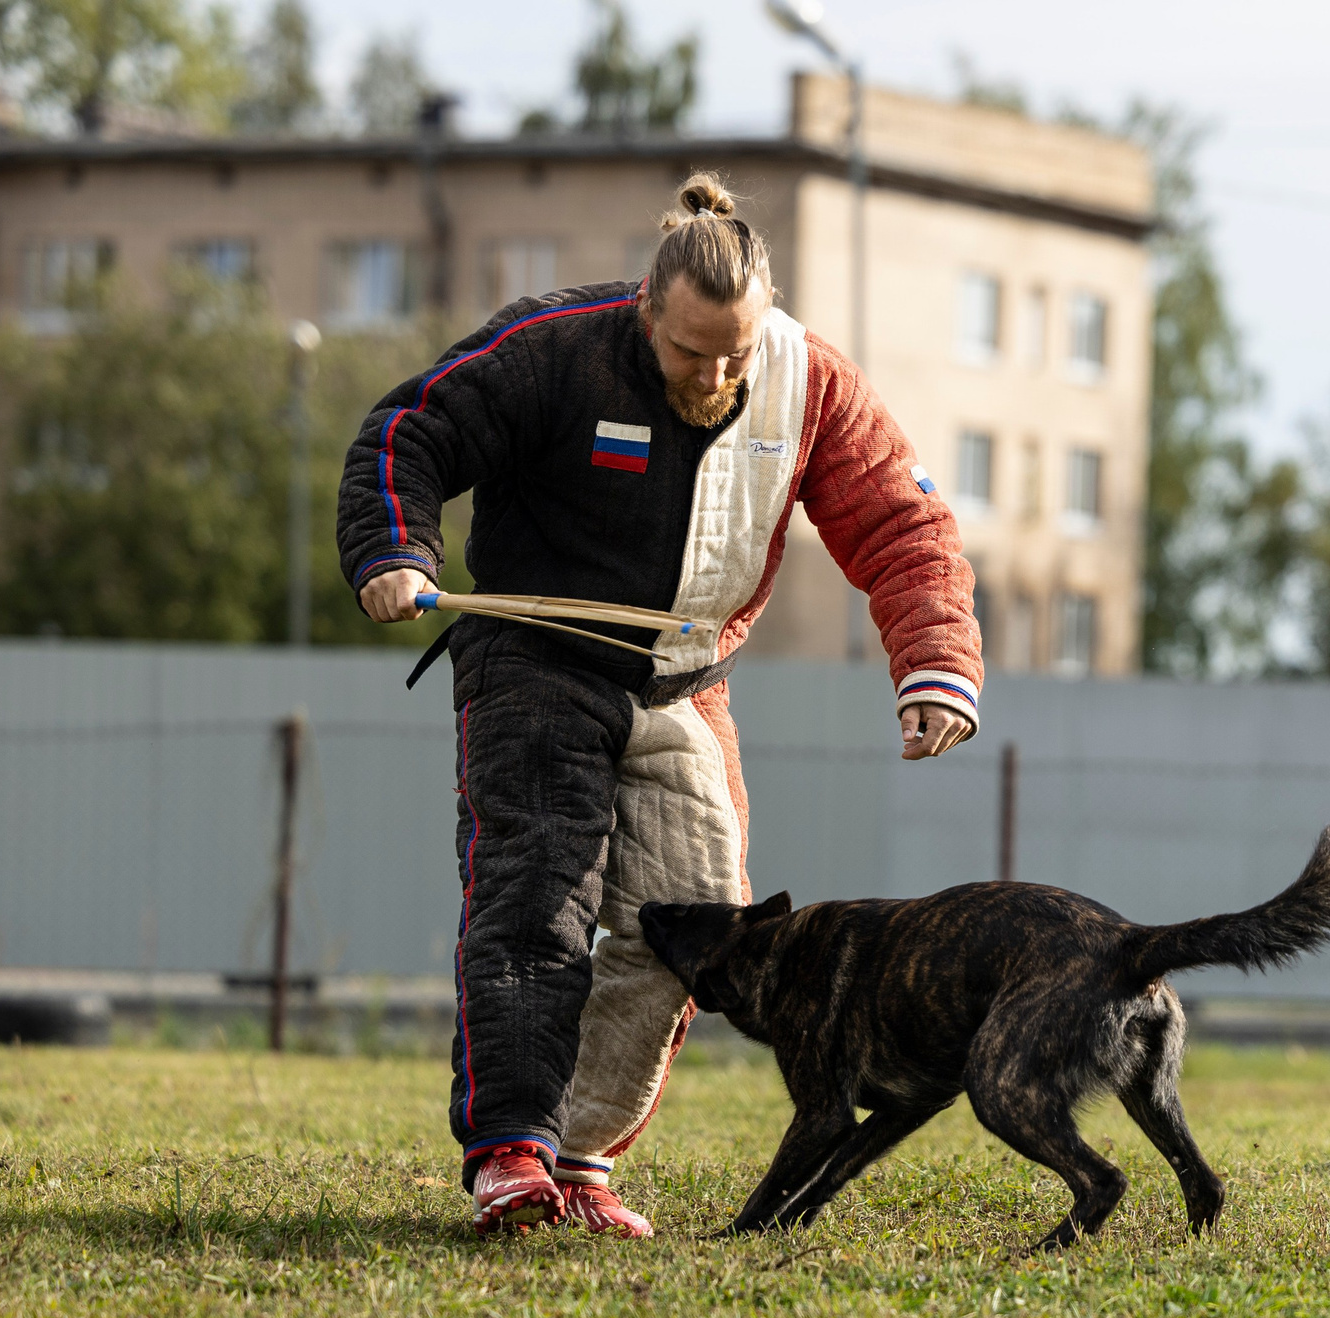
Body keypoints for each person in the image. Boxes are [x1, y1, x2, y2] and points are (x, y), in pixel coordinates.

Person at [337, 172, 981, 1237]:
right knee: (538, 898)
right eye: (691, 353)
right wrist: (396, 551)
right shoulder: (555, 348)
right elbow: (408, 433)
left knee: (698, 928)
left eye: (738, 353)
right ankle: (510, 1152)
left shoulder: (812, 383)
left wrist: (935, 664)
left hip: (687, 680)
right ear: (647, 309)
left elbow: (902, 526)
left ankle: (579, 1159)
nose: (716, 375)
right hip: (536, 664)